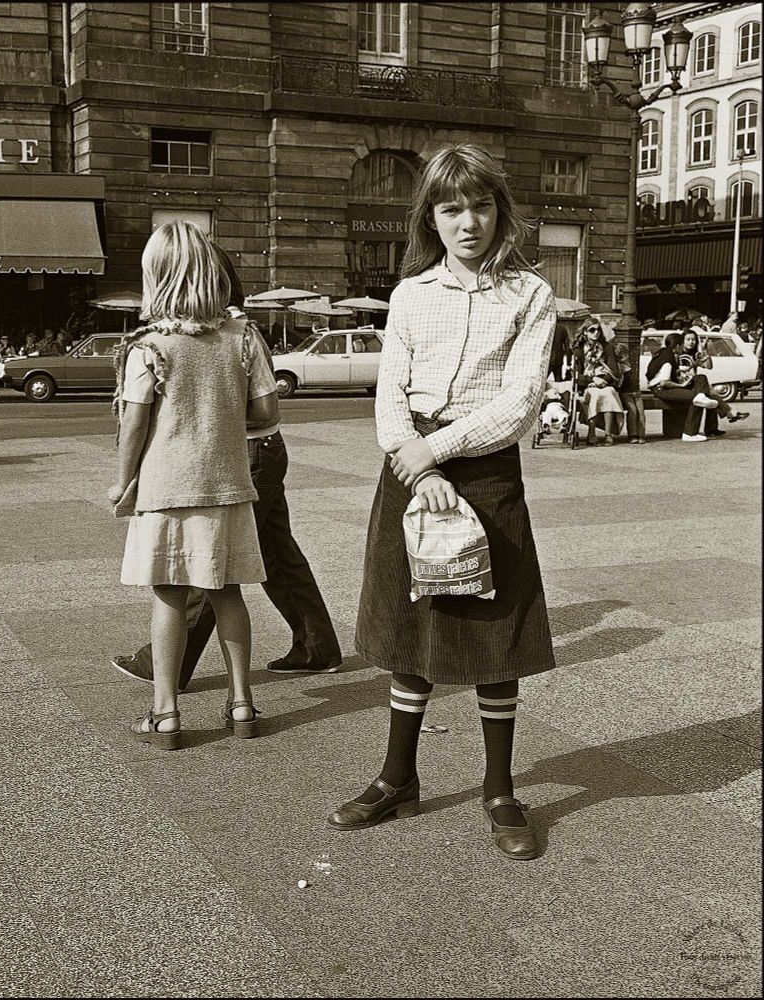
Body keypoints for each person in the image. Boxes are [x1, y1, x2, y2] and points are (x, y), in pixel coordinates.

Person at [326, 144, 557, 862]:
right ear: (431, 216)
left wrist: (439, 451)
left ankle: (499, 788)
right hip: (409, 466)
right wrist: (411, 459)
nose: (468, 222)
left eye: (481, 206)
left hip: (485, 471)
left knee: (493, 632)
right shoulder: (411, 294)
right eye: (452, 208)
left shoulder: (531, 295)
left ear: (500, 210)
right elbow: (389, 390)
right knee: (411, 622)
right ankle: (398, 775)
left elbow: (520, 403)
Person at [111, 244, 341, 692]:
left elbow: (263, 409)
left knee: (206, 564)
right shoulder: (239, 331)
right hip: (262, 453)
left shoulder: (223, 333)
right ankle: (317, 647)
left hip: (241, 456)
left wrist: (209, 418)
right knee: (274, 551)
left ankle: (169, 666)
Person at [108, 221, 271, 750]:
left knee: (170, 597)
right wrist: (220, 423)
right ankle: (242, 702)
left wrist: (122, 480)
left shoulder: (148, 346)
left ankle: (166, 712)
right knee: (229, 592)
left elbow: (135, 421)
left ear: (155, 277)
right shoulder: (244, 336)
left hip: (166, 485)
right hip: (227, 481)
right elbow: (266, 409)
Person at [647, 332, 747, 442]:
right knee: (703, 396)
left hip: (683, 384)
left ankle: (707, 427)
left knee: (702, 384)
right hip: (668, 387)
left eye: (693, 340)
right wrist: (682, 384)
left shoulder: (676, 354)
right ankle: (697, 430)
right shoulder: (670, 357)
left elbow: (707, 367)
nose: (691, 342)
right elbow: (664, 382)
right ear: (680, 344)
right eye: (688, 339)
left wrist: (703, 357)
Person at [574, 320, 625, 446]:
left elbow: (614, 369)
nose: (596, 332)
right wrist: (592, 380)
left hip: (604, 383)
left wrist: (603, 381)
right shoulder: (578, 350)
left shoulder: (606, 347)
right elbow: (576, 375)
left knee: (609, 393)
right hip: (587, 384)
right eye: (592, 330)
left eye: (598, 330)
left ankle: (608, 434)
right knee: (595, 395)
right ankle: (591, 434)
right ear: (585, 332)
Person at [610, 336, 646, 444]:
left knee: (641, 412)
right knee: (633, 411)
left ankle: (641, 434)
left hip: (636, 392)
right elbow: (619, 383)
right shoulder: (618, 367)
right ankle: (632, 434)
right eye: (621, 356)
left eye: (625, 355)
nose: (624, 358)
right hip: (626, 393)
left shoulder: (629, 365)